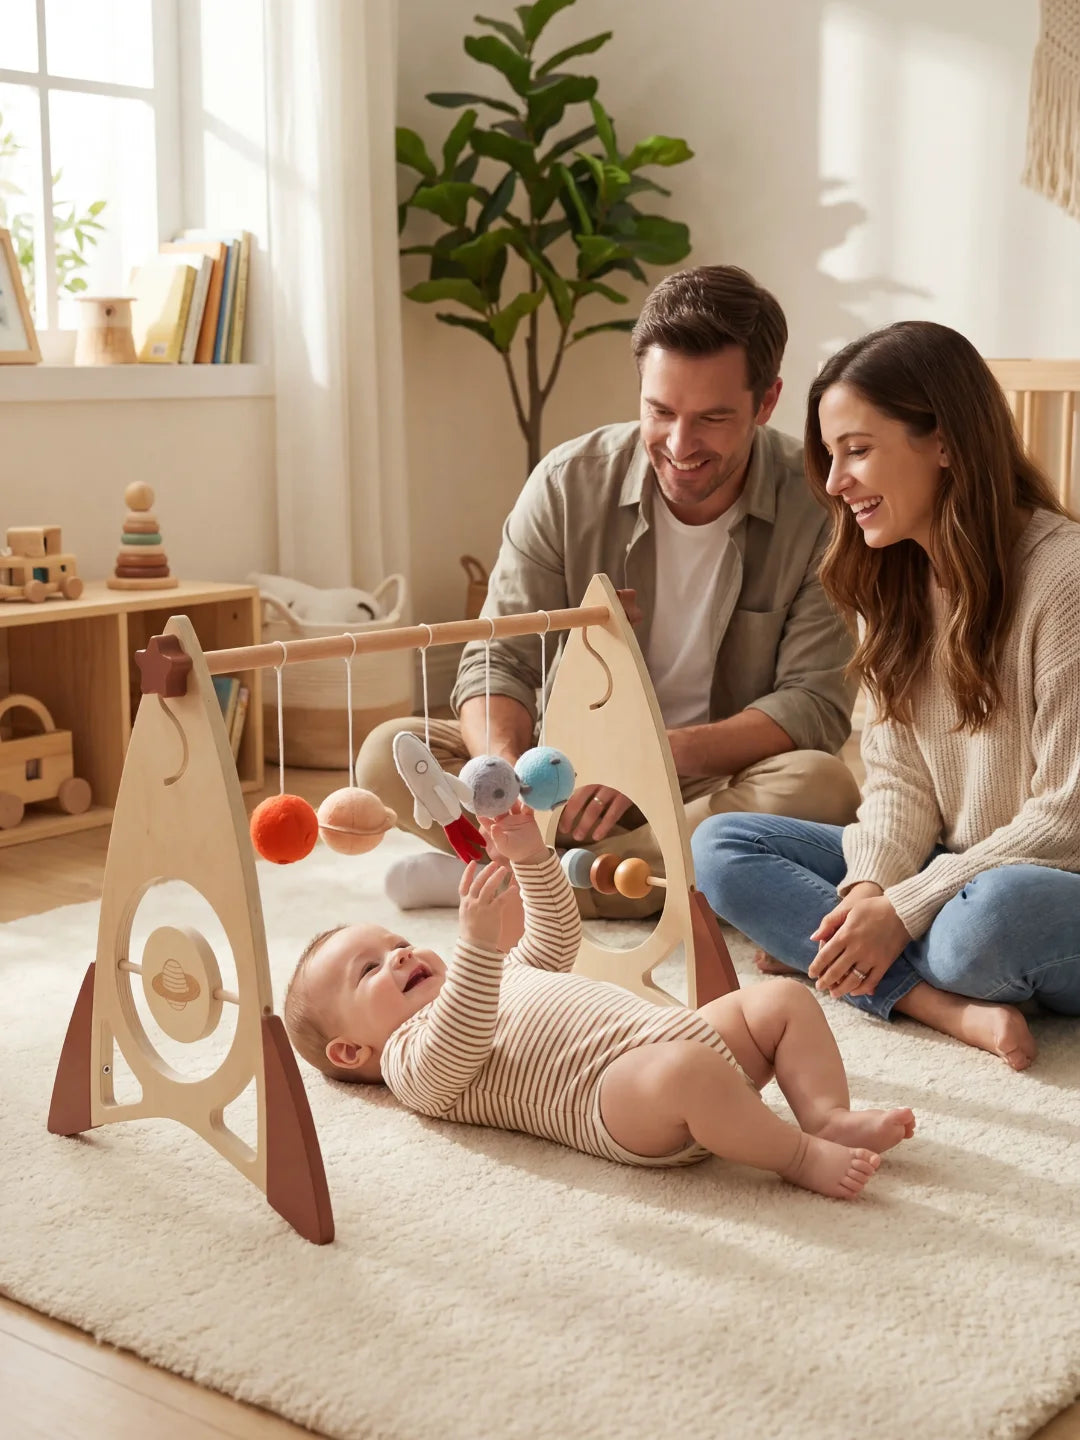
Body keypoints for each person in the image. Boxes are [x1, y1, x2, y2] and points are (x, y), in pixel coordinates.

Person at [357, 264, 860, 915]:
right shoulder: (568, 483)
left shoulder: (817, 506)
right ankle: (589, 872)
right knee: (386, 756)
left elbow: (813, 705)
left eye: (712, 417)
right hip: (558, 780)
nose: (680, 444)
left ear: (766, 402)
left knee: (822, 789)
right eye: (660, 411)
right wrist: (503, 779)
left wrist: (645, 758)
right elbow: (497, 659)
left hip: (705, 787)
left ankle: (520, 885)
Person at [692, 320, 1080, 1072]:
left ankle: (848, 957)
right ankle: (938, 1004)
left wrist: (901, 910)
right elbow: (900, 786)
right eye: (831, 456)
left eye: (858, 450)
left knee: (982, 928)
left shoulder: (1064, 581)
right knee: (722, 846)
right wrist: (865, 894)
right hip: (958, 867)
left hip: (1049, 880)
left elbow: (1068, 819)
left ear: (945, 443)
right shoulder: (891, 580)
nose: (835, 483)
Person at [283, 802, 915, 1199]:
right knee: (686, 1071)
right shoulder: (410, 1062)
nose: (398, 956)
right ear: (351, 1049)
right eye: (369, 969)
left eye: (396, 944)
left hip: (681, 1039)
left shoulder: (495, 975)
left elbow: (556, 937)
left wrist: (532, 858)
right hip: (617, 1102)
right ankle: (798, 1156)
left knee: (780, 1000)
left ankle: (825, 1116)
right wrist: (475, 948)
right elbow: (461, 1040)